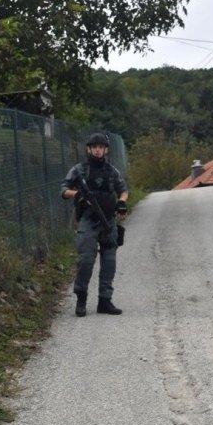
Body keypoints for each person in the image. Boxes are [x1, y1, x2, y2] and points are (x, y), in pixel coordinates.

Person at [60, 132, 129, 317]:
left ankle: (105, 301)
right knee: (85, 261)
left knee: (109, 262)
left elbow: (123, 190)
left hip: (109, 221)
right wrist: (78, 195)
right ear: (89, 149)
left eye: (101, 147)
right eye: (94, 147)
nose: (98, 150)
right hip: (88, 221)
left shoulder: (112, 171)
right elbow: (64, 189)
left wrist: (122, 202)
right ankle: (81, 299)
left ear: (106, 149)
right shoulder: (79, 170)